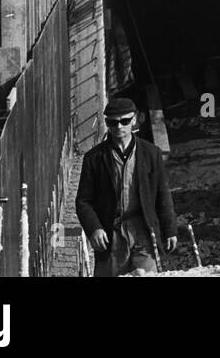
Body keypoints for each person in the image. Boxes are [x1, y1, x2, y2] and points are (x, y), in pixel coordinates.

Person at [76, 98, 177, 276]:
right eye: (112, 123)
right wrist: (94, 228)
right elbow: (83, 201)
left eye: (124, 121)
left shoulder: (151, 154)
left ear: (134, 119)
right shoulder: (94, 158)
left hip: (143, 230)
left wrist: (169, 230)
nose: (119, 127)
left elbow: (162, 194)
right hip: (111, 233)